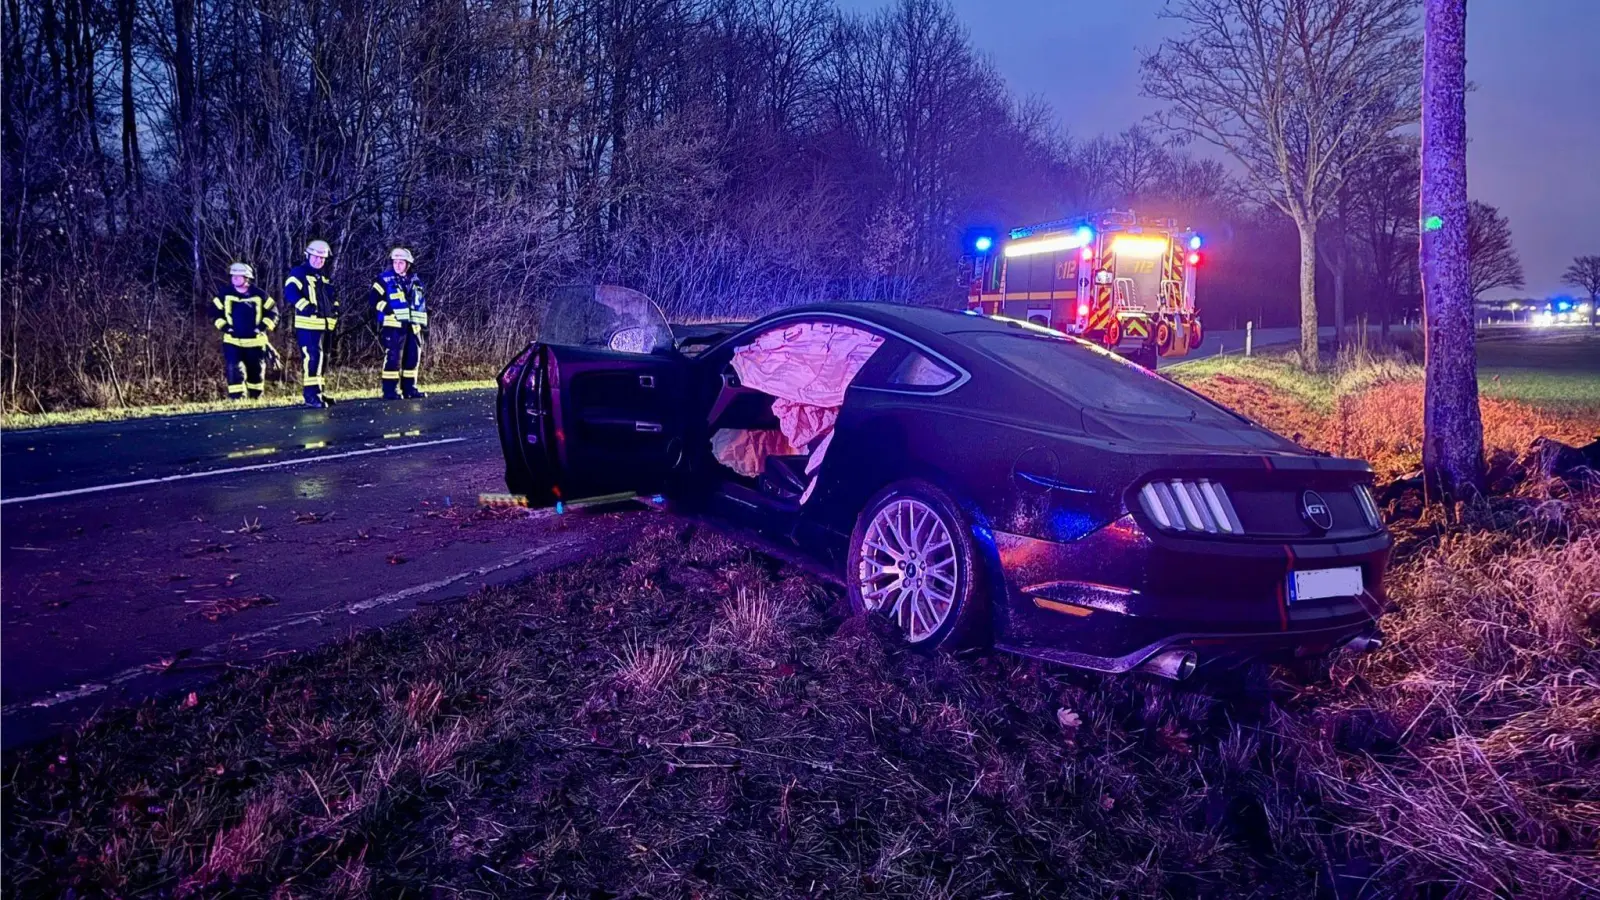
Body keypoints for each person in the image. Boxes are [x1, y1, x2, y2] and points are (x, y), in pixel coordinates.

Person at [211, 262, 278, 399]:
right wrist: (225, 327)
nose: (234, 278)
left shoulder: (259, 294)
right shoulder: (224, 294)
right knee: (235, 371)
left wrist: (261, 328)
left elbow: (273, 312)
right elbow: (214, 312)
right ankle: (237, 400)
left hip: (256, 343)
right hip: (232, 341)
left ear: (247, 278)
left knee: (256, 372)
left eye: (238, 276)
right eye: (233, 276)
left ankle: (255, 399)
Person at [285, 239, 339, 408]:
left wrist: (335, 311)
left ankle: (319, 392)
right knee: (312, 358)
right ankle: (311, 396)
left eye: (322, 258)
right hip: (308, 325)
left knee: (323, 359)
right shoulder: (299, 272)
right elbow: (290, 291)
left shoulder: (324, 277)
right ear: (307, 256)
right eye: (315, 257)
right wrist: (305, 306)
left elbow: (333, 298)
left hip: (325, 326)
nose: (318, 260)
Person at [372, 247, 427, 399]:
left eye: (401, 262)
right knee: (393, 358)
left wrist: (423, 318)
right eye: (395, 262)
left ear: (408, 264)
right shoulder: (383, 279)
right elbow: (373, 300)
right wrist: (386, 308)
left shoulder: (416, 281)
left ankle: (410, 389)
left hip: (413, 326)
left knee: (412, 358)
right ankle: (390, 391)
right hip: (393, 325)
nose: (397, 265)